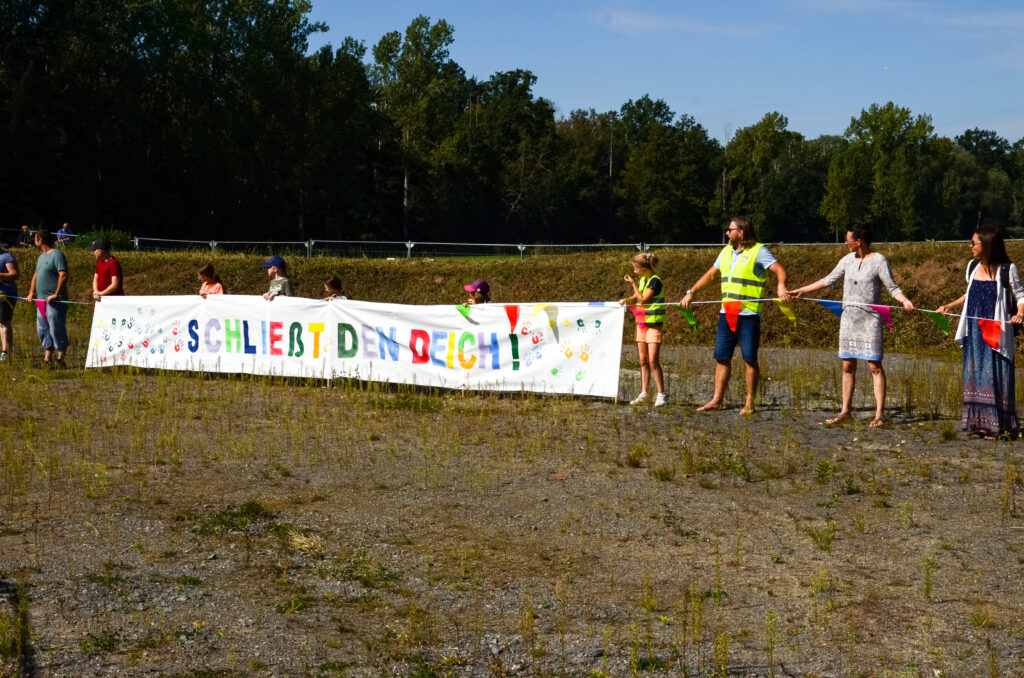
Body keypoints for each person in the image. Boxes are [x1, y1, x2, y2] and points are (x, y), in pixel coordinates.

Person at [790, 222, 914, 427]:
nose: (845, 243)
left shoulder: (879, 260)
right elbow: (828, 280)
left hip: (870, 320)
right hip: (848, 320)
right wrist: (802, 290)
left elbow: (892, 288)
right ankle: (845, 411)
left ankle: (879, 415)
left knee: (874, 366)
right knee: (847, 365)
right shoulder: (847, 260)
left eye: (848, 240)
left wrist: (905, 301)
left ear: (858, 241)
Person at [680, 216, 791, 415]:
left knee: (749, 358)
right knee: (721, 357)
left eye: (729, 229)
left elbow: (779, 269)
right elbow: (711, 275)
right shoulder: (725, 252)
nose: (726, 233)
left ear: (740, 232)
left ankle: (750, 402)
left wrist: (781, 285)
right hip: (726, 313)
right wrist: (691, 291)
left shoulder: (759, 251)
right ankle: (717, 400)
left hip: (749, 314)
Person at [937, 225, 1024, 439]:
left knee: (995, 373)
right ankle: (979, 425)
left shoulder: (1007, 269)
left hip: (997, 332)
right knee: (975, 373)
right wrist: (949, 306)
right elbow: (969, 295)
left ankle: (999, 426)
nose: (970, 246)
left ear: (986, 245)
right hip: (974, 332)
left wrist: (1020, 313)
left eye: (973, 243)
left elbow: (1021, 295)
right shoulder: (972, 267)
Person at [618, 252, 667, 406]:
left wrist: (632, 283)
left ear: (644, 267)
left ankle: (661, 394)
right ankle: (644, 392)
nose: (634, 271)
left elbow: (644, 299)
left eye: (636, 268)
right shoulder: (642, 280)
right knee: (643, 361)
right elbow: (636, 296)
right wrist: (626, 300)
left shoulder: (655, 281)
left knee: (653, 361)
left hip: (653, 325)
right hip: (641, 324)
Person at [25, 230, 69, 366]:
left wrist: (56, 293)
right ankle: (47, 360)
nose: (34, 241)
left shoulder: (57, 255)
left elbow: (63, 274)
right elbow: (36, 275)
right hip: (41, 301)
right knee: (43, 330)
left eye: (35, 238)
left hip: (54, 301)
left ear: (41, 239)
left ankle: (60, 360)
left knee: (56, 329)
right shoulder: (41, 257)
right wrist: (31, 292)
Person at [0, 246, 18, 362]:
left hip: (5, 295)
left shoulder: (6, 257)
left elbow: (14, 275)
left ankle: (5, 352)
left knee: (4, 323)